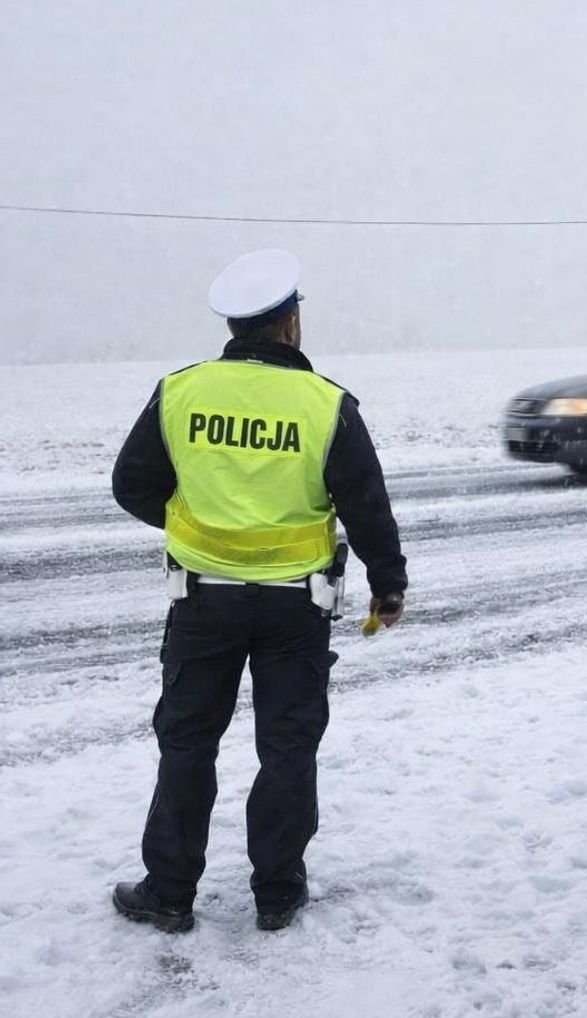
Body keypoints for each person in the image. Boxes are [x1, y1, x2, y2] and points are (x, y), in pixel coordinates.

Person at [110, 249, 407, 932]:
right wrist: (387, 585)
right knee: (288, 746)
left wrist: (193, 520)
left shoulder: (181, 391)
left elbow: (132, 486)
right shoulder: (325, 403)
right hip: (296, 608)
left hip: (203, 601)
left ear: (237, 326)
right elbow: (366, 505)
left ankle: (170, 891)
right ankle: (277, 890)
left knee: (188, 744)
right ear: (290, 325)